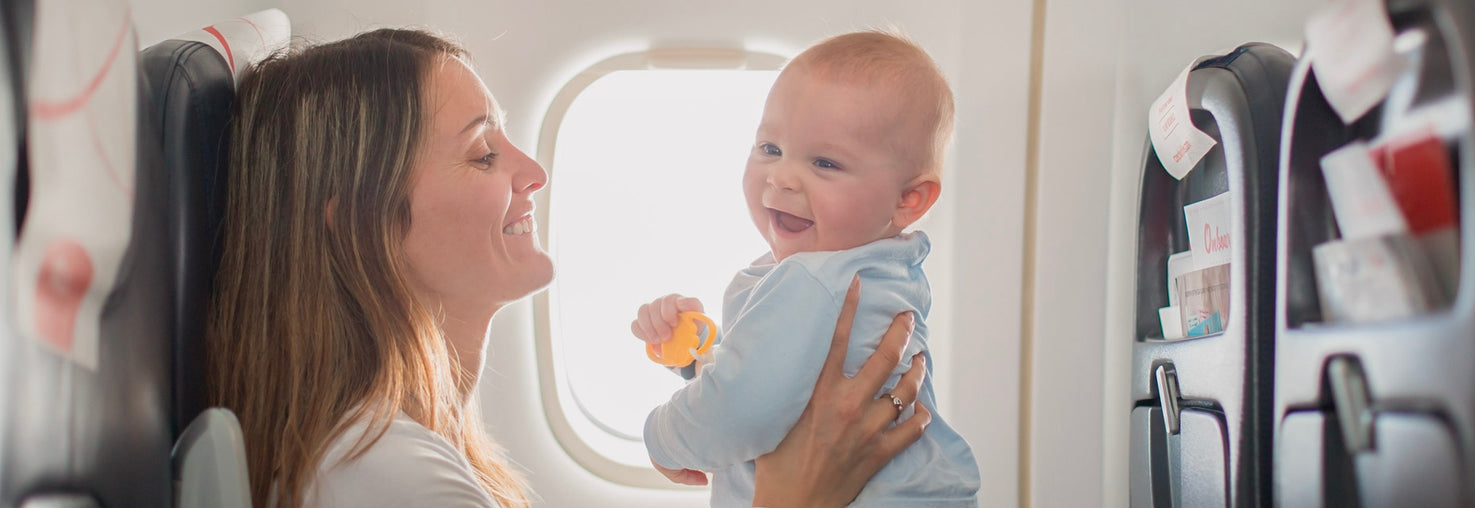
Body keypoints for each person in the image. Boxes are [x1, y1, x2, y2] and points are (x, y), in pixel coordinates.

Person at [206, 28, 931, 508]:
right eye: (483, 152)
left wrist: (705, 366)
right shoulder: (382, 475)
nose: (532, 170)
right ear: (364, 221)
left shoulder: (414, 448)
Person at [631, 30, 980, 506]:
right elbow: (791, 384)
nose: (780, 176)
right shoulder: (886, 269)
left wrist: (662, 439)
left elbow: (741, 411)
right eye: (770, 149)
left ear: (907, 200)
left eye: (825, 162)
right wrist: (698, 357)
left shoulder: (812, 280)